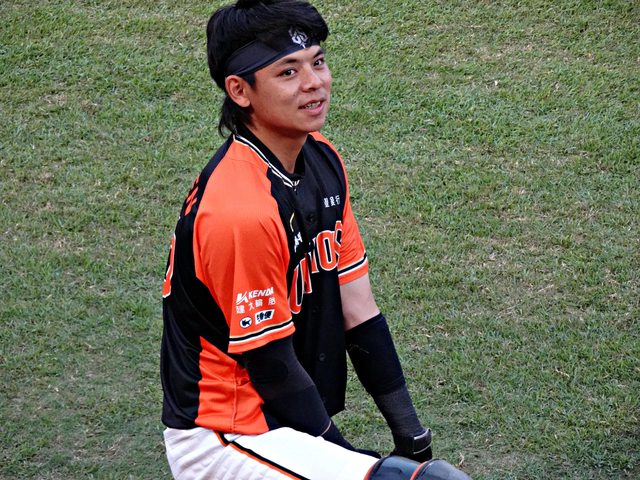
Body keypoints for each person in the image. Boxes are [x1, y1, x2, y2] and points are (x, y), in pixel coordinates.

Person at [160, 1, 471, 479]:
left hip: (282, 420)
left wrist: (412, 436)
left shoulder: (321, 159)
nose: (314, 83)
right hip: (226, 435)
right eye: (288, 72)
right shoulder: (240, 210)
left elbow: (358, 311)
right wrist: (350, 458)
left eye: (318, 62)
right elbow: (270, 366)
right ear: (240, 90)